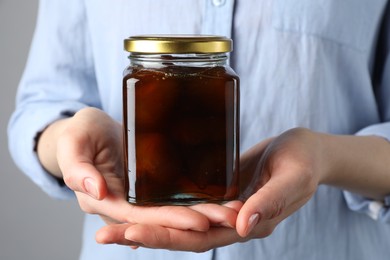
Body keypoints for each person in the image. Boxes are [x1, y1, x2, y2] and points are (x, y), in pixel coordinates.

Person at [8, 0, 390, 259]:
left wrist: (324, 157)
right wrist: (66, 143)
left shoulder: (221, 77)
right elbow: (42, 102)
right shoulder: (141, 76)